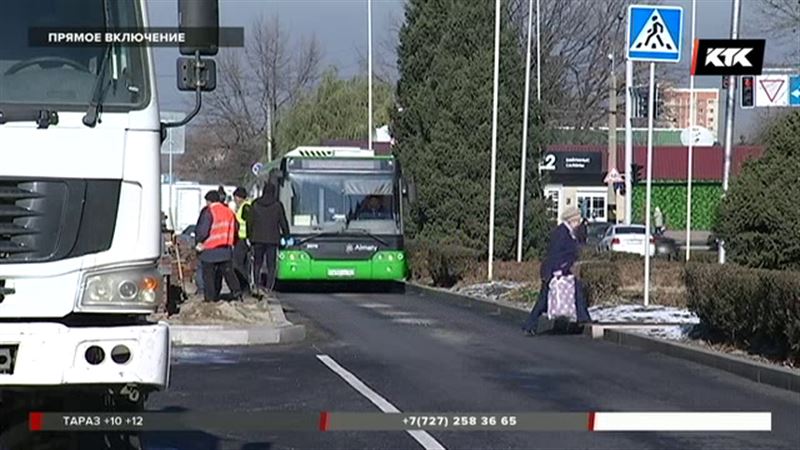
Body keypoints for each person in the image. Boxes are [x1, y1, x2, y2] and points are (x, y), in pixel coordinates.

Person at [521, 206, 592, 336]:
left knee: (577, 291)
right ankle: (529, 325)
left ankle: (583, 318)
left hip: (564, 270)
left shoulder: (569, 231)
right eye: (577, 219)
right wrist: (557, 270)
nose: (578, 222)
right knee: (543, 300)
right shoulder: (561, 232)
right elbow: (555, 253)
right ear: (571, 219)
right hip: (554, 272)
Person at [195, 190, 242, 302]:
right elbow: (236, 228)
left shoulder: (209, 211)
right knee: (228, 273)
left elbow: (203, 231)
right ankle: (237, 293)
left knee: (209, 276)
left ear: (209, 201)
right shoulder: (229, 212)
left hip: (209, 250)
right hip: (225, 249)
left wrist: (198, 242)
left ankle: (210, 299)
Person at [247, 183, 290, 296]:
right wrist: (286, 235)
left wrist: (249, 236)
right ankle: (268, 288)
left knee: (257, 263)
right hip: (272, 239)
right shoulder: (277, 205)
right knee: (271, 265)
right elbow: (283, 222)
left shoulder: (255, 204)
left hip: (257, 238)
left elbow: (249, 222)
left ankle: (256, 285)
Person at [232, 187, 254, 295]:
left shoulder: (246, 207)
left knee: (237, 264)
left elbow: (249, 223)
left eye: (235, 197)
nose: (234, 200)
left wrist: (249, 238)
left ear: (239, 197)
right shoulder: (243, 206)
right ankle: (243, 287)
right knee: (241, 264)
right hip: (241, 239)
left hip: (243, 239)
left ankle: (244, 286)